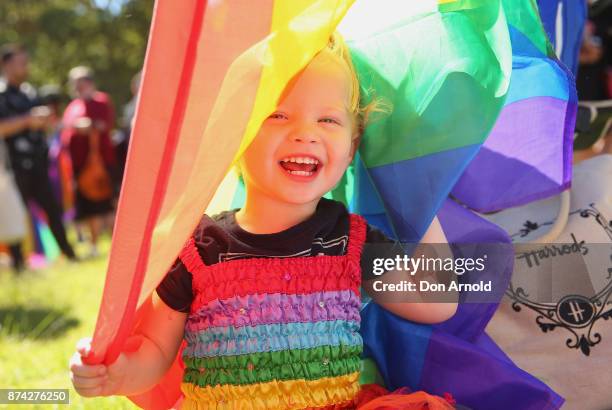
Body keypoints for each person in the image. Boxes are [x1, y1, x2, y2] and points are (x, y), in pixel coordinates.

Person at [69, 34, 457, 409]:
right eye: (278, 114)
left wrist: (420, 197)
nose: (305, 134)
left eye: (328, 120)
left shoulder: (350, 242)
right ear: (235, 136)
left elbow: (437, 301)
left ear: (352, 145)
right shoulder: (199, 249)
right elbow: (154, 353)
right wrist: (118, 374)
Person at [0, 44, 77, 270]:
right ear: (7, 64)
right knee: (15, 213)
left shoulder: (29, 93)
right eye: (21, 62)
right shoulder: (1, 94)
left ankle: (69, 254)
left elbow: (41, 124)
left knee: (53, 209)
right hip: (13, 165)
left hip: (38, 163)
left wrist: (43, 120)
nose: (26, 67)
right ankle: (18, 263)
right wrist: (27, 120)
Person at [61, 66, 117, 257]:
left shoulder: (100, 100)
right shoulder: (73, 106)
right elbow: (66, 128)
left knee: (108, 205)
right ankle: (93, 246)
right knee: (88, 208)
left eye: (81, 83)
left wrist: (87, 125)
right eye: (74, 83)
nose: (77, 87)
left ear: (90, 83)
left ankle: (117, 246)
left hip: (100, 163)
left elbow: (103, 125)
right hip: (79, 167)